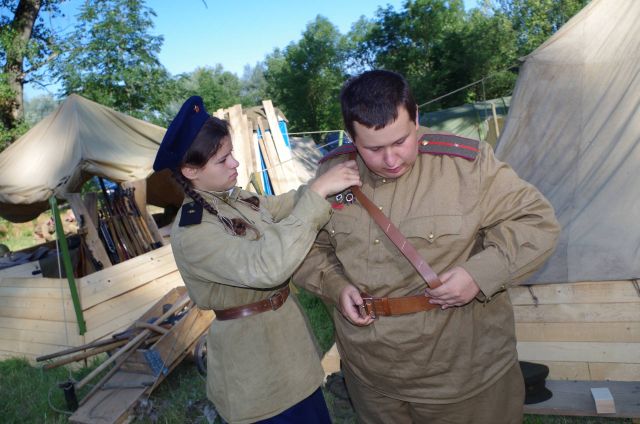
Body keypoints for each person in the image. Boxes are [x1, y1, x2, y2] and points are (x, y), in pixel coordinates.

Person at [293, 70, 560, 424]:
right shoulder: (332, 174)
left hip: (462, 375)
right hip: (372, 377)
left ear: (416, 117)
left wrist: (478, 275)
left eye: (401, 141)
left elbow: (537, 222)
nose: (391, 159)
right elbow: (306, 245)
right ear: (352, 138)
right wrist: (335, 285)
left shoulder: (466, 166)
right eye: (374, 149)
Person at [152, 96, 362, 424]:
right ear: (190, 170)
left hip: (291, 356)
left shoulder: (235, 200)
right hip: (256, 372)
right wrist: (318, 192)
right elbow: (267, 267)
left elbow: (285, 205)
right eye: (223, 159)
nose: (235, 163)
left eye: (232, 153)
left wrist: (327, 182)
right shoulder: (194, 230)